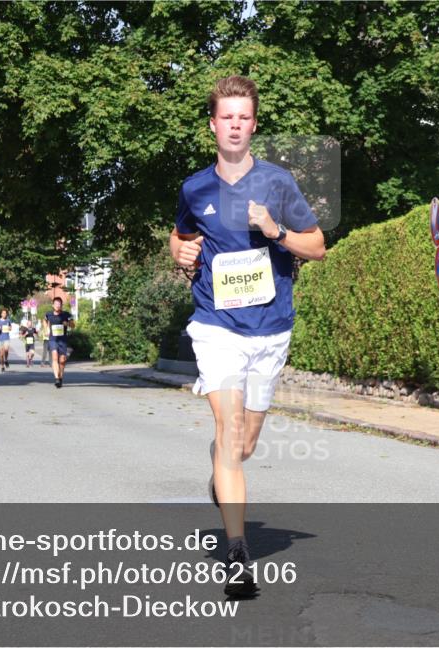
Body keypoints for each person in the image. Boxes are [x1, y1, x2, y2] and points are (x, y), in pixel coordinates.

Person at [169, 75, 326, 596]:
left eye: (244, 117)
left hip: (270, 329)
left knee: (243, 443)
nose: (235, 125)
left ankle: (222, 472)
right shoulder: (195, 187)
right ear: (212, 125)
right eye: (226, 117)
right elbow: (181, 234)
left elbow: (318, 246)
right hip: (217, 326)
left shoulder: (278, 183)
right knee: (228, 428)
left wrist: (276, 231)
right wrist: (179, 253)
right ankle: (238, 556)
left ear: (253, 125)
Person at [44, 297, 73, 388]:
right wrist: (46, 329)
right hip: (53, 339)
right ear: (53, 305)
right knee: (55, 357)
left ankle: (60, 377)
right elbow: (44, 321)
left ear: (61, 305)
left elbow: (73, 325)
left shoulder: (66, 314)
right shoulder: (48, 314)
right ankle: (56, 378)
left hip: (63, 340)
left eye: (59, 304)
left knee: (62, 360)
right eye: (56, 304)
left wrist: (67, 324)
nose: (57, 305)